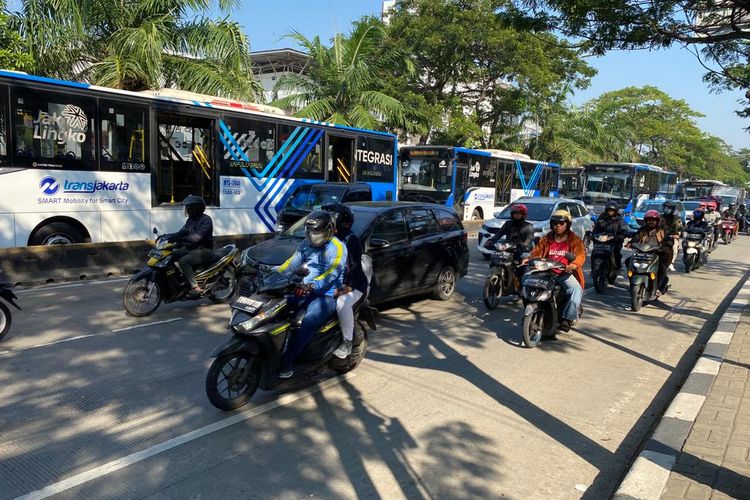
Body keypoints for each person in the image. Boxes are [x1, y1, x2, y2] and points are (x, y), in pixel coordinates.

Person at [274, 210, 346, 378]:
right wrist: (272, 275)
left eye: (318, 231)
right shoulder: (306, 243)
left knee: (308, 323)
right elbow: (291, 264)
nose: (314, 236)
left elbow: (332, 274)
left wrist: (312, 285)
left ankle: (287, 361)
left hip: (326, 295)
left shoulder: (337, 248)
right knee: (275, 309)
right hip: (303, 289)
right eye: (311, 231)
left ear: (329, 230)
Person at [524, 209, 586, 332]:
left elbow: (581, 255)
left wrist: (573, 264)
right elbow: (537, 252)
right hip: (546, 273)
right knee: (525, 280)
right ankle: (529, 310)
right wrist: (529, 259)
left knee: (576, 290)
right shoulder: (547, 238)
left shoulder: (574, 240)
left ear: (567, 224)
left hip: (564, 273)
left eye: (562, 223)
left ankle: (567, 318)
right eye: (555, 223)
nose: (558, 226)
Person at [323, 203, 369, 359]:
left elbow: (354, 265)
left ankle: (347, 342)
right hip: (333, 281)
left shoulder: (350, 239)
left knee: (342, 303)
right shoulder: (325, 236)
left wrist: (349, 286)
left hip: (355, 285)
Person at [167, 195, 214, 295]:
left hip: (203, 249)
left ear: (196, 208)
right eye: (187, 208)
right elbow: (182, 232)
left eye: (189, 207)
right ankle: (178, 281)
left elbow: (196, 238)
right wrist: (167, 236)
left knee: (184, 261)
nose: (187, 210)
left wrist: (179, 239)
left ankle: (195, 287)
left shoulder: (206, 220)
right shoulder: (191, 220)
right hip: (192, 247)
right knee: (170, 255)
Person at [484, 203, 535, 284]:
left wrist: (524, 244)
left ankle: (523, 286)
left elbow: (529, 238)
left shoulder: (528, 226)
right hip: (509, 248)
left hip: (523, 250)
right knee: (496, 258)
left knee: (524, 267)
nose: (516, 215)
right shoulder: (508, 224)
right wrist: (491, 240)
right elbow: (499, 234)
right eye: (515, 213)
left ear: (523, 215)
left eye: (519, 213)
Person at [631, 210, 670, 294]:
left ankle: (658, 287)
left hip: (657, 254)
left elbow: (669, 241)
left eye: (653, 220)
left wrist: (664, 247)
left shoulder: (663, 230)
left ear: (657, 221)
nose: (651, 222)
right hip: (642, 254)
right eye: (648, 220)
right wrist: (631, 242)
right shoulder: (642, 230)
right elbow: (636, 237)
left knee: (662, 268)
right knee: (629, 262)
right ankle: (633, 283)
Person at [591, 202, 629, 270]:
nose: (610, 212)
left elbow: (624, 227)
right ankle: (593, 269)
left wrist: (622, 234)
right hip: (602, 241)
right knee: (594, 252)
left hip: (614, 241)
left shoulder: (619, 219)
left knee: (616, 252)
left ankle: (617, 267)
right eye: (609, 210)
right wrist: (593, 235)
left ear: (615, 211)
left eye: (612, 210)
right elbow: (597, 227)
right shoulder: (602, 218)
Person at [660, 201, 683, 272]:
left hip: (671, 237)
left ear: (672, 209)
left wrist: (677, 235)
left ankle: (671, 263)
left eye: (668, 208)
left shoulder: (676, 218)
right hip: (660, 236)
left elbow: (679, 228)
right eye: (665, 207)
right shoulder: (660, 217)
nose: (666, 209)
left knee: (675, 246)